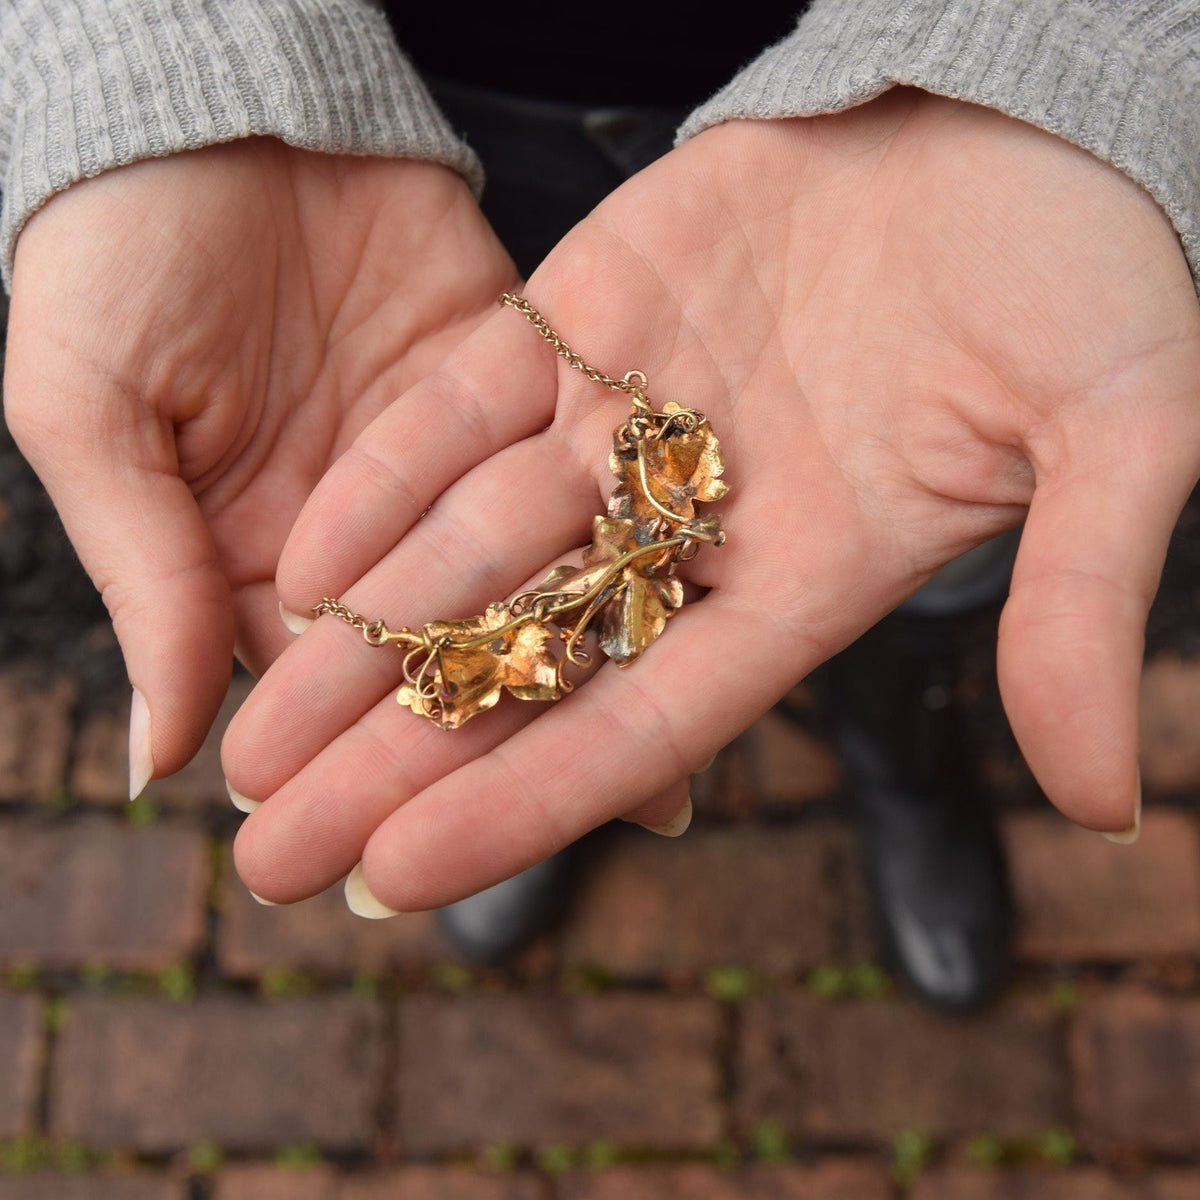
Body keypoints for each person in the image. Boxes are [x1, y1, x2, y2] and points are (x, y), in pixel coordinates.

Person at [3, 2, 1198, 1011]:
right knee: (488, 506)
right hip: (399, 114)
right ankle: (547, 807)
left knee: (924, 534)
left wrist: (1081, 53)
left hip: (927, 117)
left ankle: (903, 754)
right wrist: (152, 49)